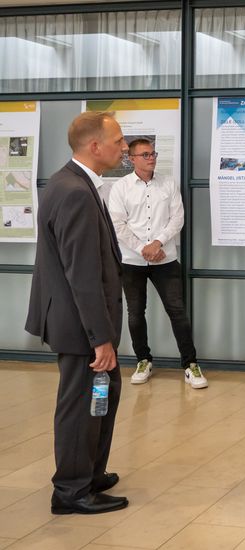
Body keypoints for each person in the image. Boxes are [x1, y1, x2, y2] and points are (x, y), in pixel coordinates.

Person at [25, 112, 129, 514]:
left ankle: (90, 473)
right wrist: (99, 338)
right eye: (118, 141)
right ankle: (70, 491)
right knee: (81, 404)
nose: (124, 147)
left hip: (81, 321)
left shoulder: (73, 182)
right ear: (95, 147)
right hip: (80, 325)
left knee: (103, 397)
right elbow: (82, 273)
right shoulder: (74, 191)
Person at [107, 139, 207, 389]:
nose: (151, 158)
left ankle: (190, 364)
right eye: (145, 154)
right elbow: (118, 224)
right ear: (132, 159)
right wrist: (143, 248)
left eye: (153, 153)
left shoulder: (168, 183)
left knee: (177, 312)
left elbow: (178, 218)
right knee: (135, 313)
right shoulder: (120, 187)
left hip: (166, 259)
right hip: (132, 260)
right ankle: (143, 360)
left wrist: (158, 243)